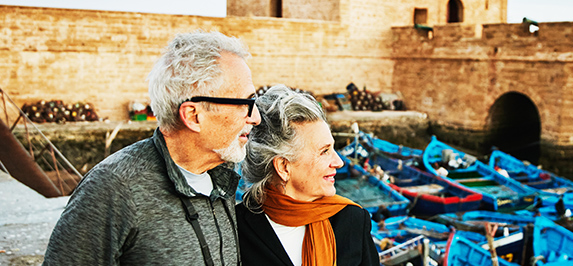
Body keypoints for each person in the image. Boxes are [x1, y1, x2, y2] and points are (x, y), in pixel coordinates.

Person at [43, 31, 261, 265]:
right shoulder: (114, 188)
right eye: (246, 104)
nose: (255, 117)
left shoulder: (223, 172)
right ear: (193, 116)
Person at [237, 85, 379, 266]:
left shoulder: (352, 220)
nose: (339, 162)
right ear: (283, 167)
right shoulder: (237, 228)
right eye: (324, 151)